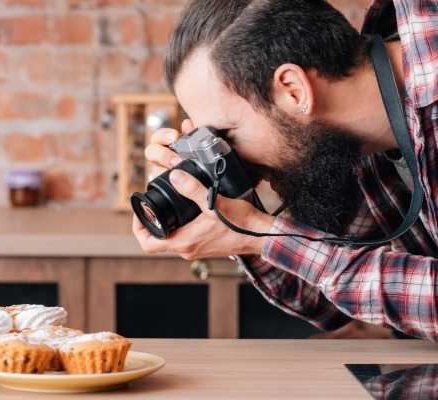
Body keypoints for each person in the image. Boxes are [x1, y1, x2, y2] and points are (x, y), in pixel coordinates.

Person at [133, 0, 438, 340]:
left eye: (224, 134)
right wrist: (236, 220)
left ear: (293, 90)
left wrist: (259, 232)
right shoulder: (347, 142)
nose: (228, 154)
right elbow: (330, 304)